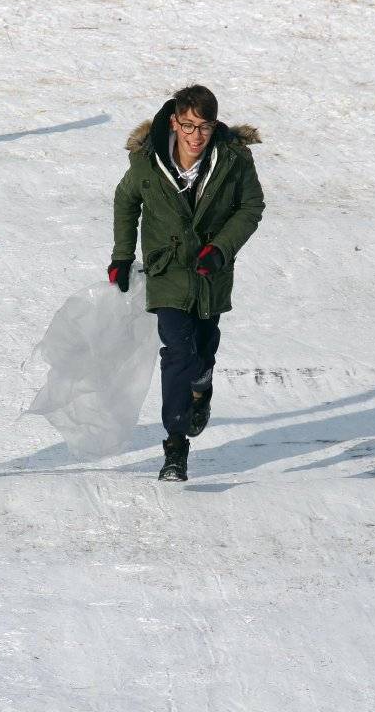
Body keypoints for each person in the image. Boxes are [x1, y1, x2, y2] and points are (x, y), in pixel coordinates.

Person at [109, 85, 265, 481]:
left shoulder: (233, 159)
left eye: (205, 127)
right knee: (178, 350)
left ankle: (202, 385)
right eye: (189, 126)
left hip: (211, 273)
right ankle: (175, 446)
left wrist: (221, 249)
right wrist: (122, 255)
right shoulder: (148, 161)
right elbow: (126, 201)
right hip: (167, 271)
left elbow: (251, 206)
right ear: (175, 122)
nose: (196, 136)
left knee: (203, 349)